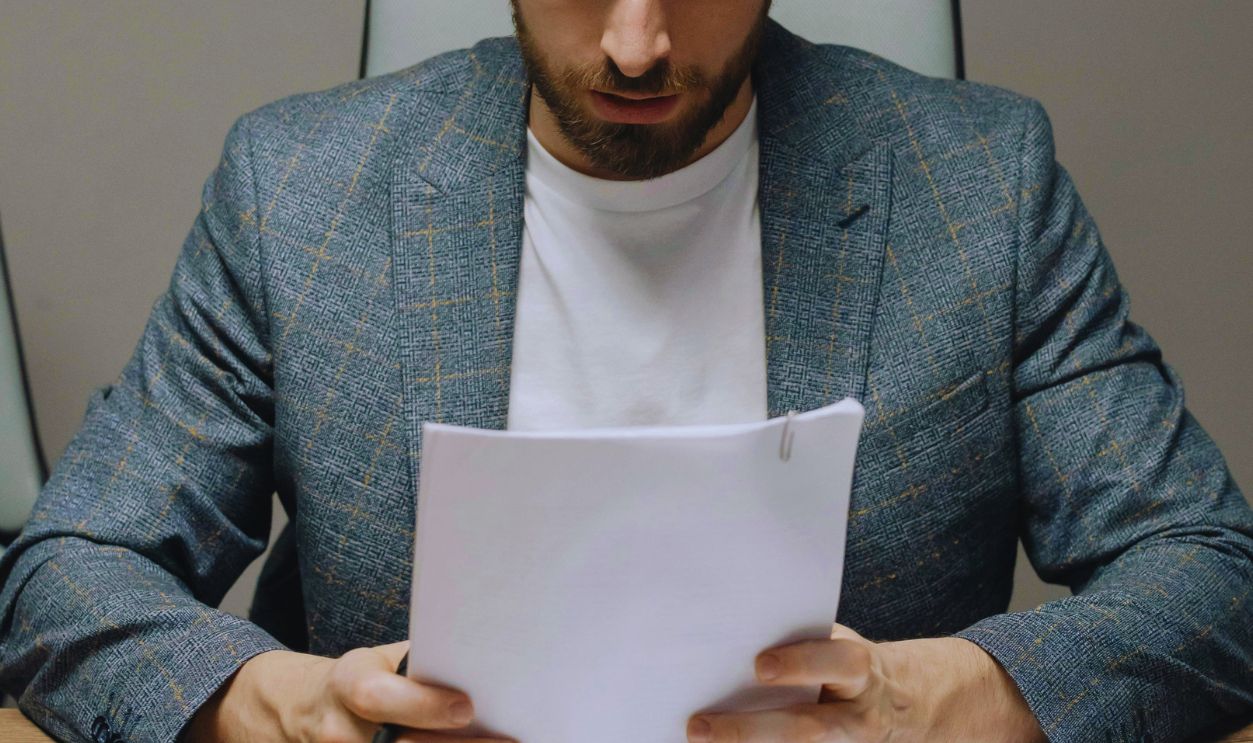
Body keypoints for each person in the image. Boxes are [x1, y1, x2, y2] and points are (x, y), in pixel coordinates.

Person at [1, 1, 1249, 741]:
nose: (637, 45)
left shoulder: (978, 181)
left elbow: (1207, 573)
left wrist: (948, 699)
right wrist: (288, 708)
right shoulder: (297, 192)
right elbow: (67, 573)